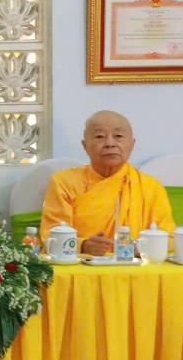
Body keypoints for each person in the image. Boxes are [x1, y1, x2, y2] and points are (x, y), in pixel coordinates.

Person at [40, 110, 174, 257]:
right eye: (100, 136)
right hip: (82, 266)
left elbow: (170, 238)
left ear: (132, 144)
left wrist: (143, 246)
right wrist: (83, 245)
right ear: (85, 145)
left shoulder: (150, 187)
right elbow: (51, 236)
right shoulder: (64, 182)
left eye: (118, 136)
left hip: (134, 266)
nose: (110, 143)